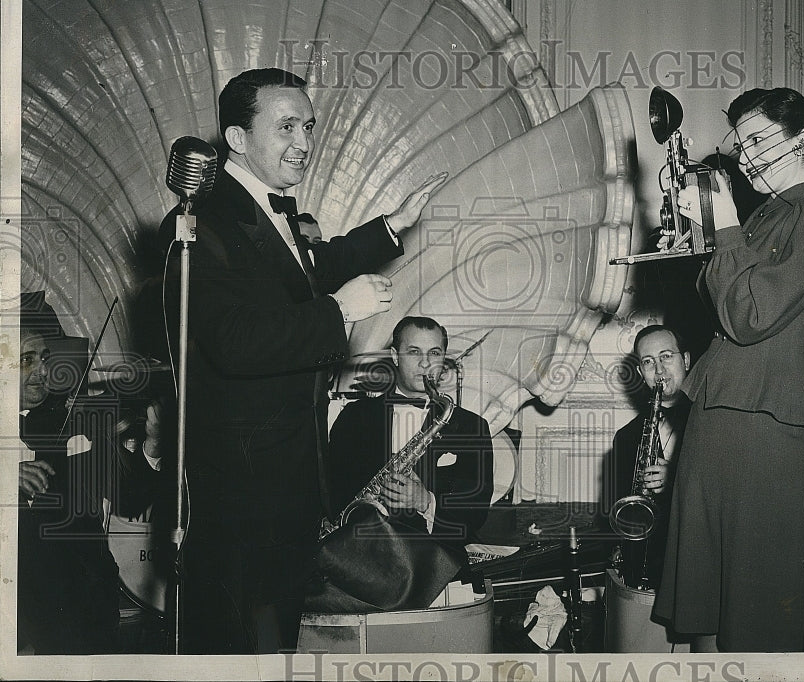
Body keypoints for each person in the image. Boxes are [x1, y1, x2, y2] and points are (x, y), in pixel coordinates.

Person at [160, 68, 446, 653]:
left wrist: (392, 227)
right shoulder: (200, 223)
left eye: (308, 126)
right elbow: (233, 341)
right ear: (236, 138)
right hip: (241, 495)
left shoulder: (270, 212)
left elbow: (307, 272)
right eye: (286, 126)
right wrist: (339, 309)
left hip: (288, 486)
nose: (304, 142)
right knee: (234, 651)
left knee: (272, 645)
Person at [653, 87, 804, 652]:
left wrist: (723, 223)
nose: (745, 157)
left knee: (760, 615)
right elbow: (720, 303)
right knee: (709, 608)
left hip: (769, 426)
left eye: (759, 140)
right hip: (722, 414)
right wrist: (704, 230)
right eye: (739, 145)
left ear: (802, 140)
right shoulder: (766, 217)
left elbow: (748, 316)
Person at [17, 325, 163, 654]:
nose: (43, 371)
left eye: (45, 358)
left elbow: (130, 497)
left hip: (83, 595)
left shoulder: (70, 421)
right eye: (27, 360)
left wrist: (153, 443)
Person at [327, 316, 494, 558]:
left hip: (434, 562)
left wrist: (425, 501)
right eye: (414, 352)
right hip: (361, 556)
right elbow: (333, 496)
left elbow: (475, 513)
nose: (426, 363)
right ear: (395, 356)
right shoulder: (354, 418)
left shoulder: (471, 427)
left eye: (435, 353)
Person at [602, 325, 689, 590]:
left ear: (685, 360)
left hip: (693, 564)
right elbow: (616, 510)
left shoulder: (713, 423)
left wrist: (675, 477)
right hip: (644, 568)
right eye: (649, 362)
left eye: (666, 356)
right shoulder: (626, 437)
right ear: (641, 372)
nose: (659, 370)